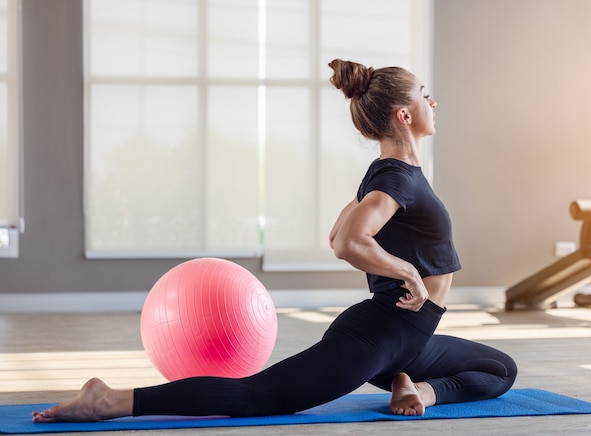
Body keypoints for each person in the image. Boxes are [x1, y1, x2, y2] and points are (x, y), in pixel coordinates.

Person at [32, 59, 517, 423]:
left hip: (411, 340)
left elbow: (338, 229)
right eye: (423, 95)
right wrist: (408, 271)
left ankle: (414, 390)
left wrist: (398, 267)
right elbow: (346, 241)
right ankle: (110, 400)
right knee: (256, 397)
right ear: (403, 115)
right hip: (380, 335)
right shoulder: (398, 178)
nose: (432, 102)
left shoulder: (394, 175)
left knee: (499, 370)